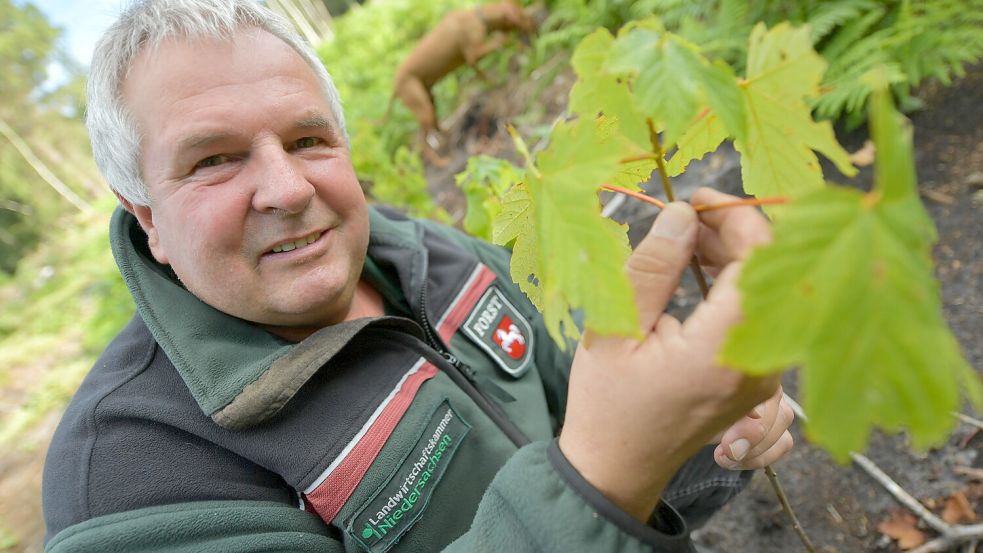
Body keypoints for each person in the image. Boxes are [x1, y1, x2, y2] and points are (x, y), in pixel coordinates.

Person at [41, 1, 794, 551]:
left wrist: (700, 431)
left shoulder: (436, 256)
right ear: (144, 214)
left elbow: (597, 418)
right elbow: (599, 460)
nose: (288, 188)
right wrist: (597, 479)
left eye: (308, 139)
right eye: (213, 159)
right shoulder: (124, 479)